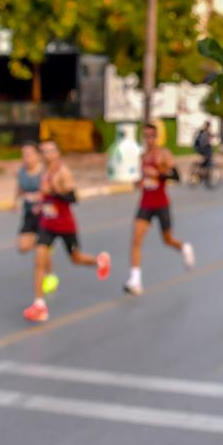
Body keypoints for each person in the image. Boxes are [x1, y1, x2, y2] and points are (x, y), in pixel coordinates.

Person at [23, 139, 111, 323]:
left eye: (50, 151)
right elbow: (44, 196)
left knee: (76, 258)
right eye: (44, 151)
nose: (46, 155)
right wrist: (40, 205)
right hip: (47, 225)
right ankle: (39, 305)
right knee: (39, 259)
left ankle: (99, 260)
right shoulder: (43, 172)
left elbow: (73, 198)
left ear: (57, 153)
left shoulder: (63, 172)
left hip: (65, 225)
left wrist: (54, 191)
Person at [126, 122, 195, 296]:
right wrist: (139, 182)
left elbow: (176, 176)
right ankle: (135, 281)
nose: (148, 139)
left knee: (167, 240)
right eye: (146, 136)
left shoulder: (164, 154)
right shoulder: (142, 157)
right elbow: (143, 177)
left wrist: (159, 174)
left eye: (151, 136)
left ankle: (184, 247)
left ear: (156, 137)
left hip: (161, 204)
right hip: (145, 204)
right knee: (136, 240)